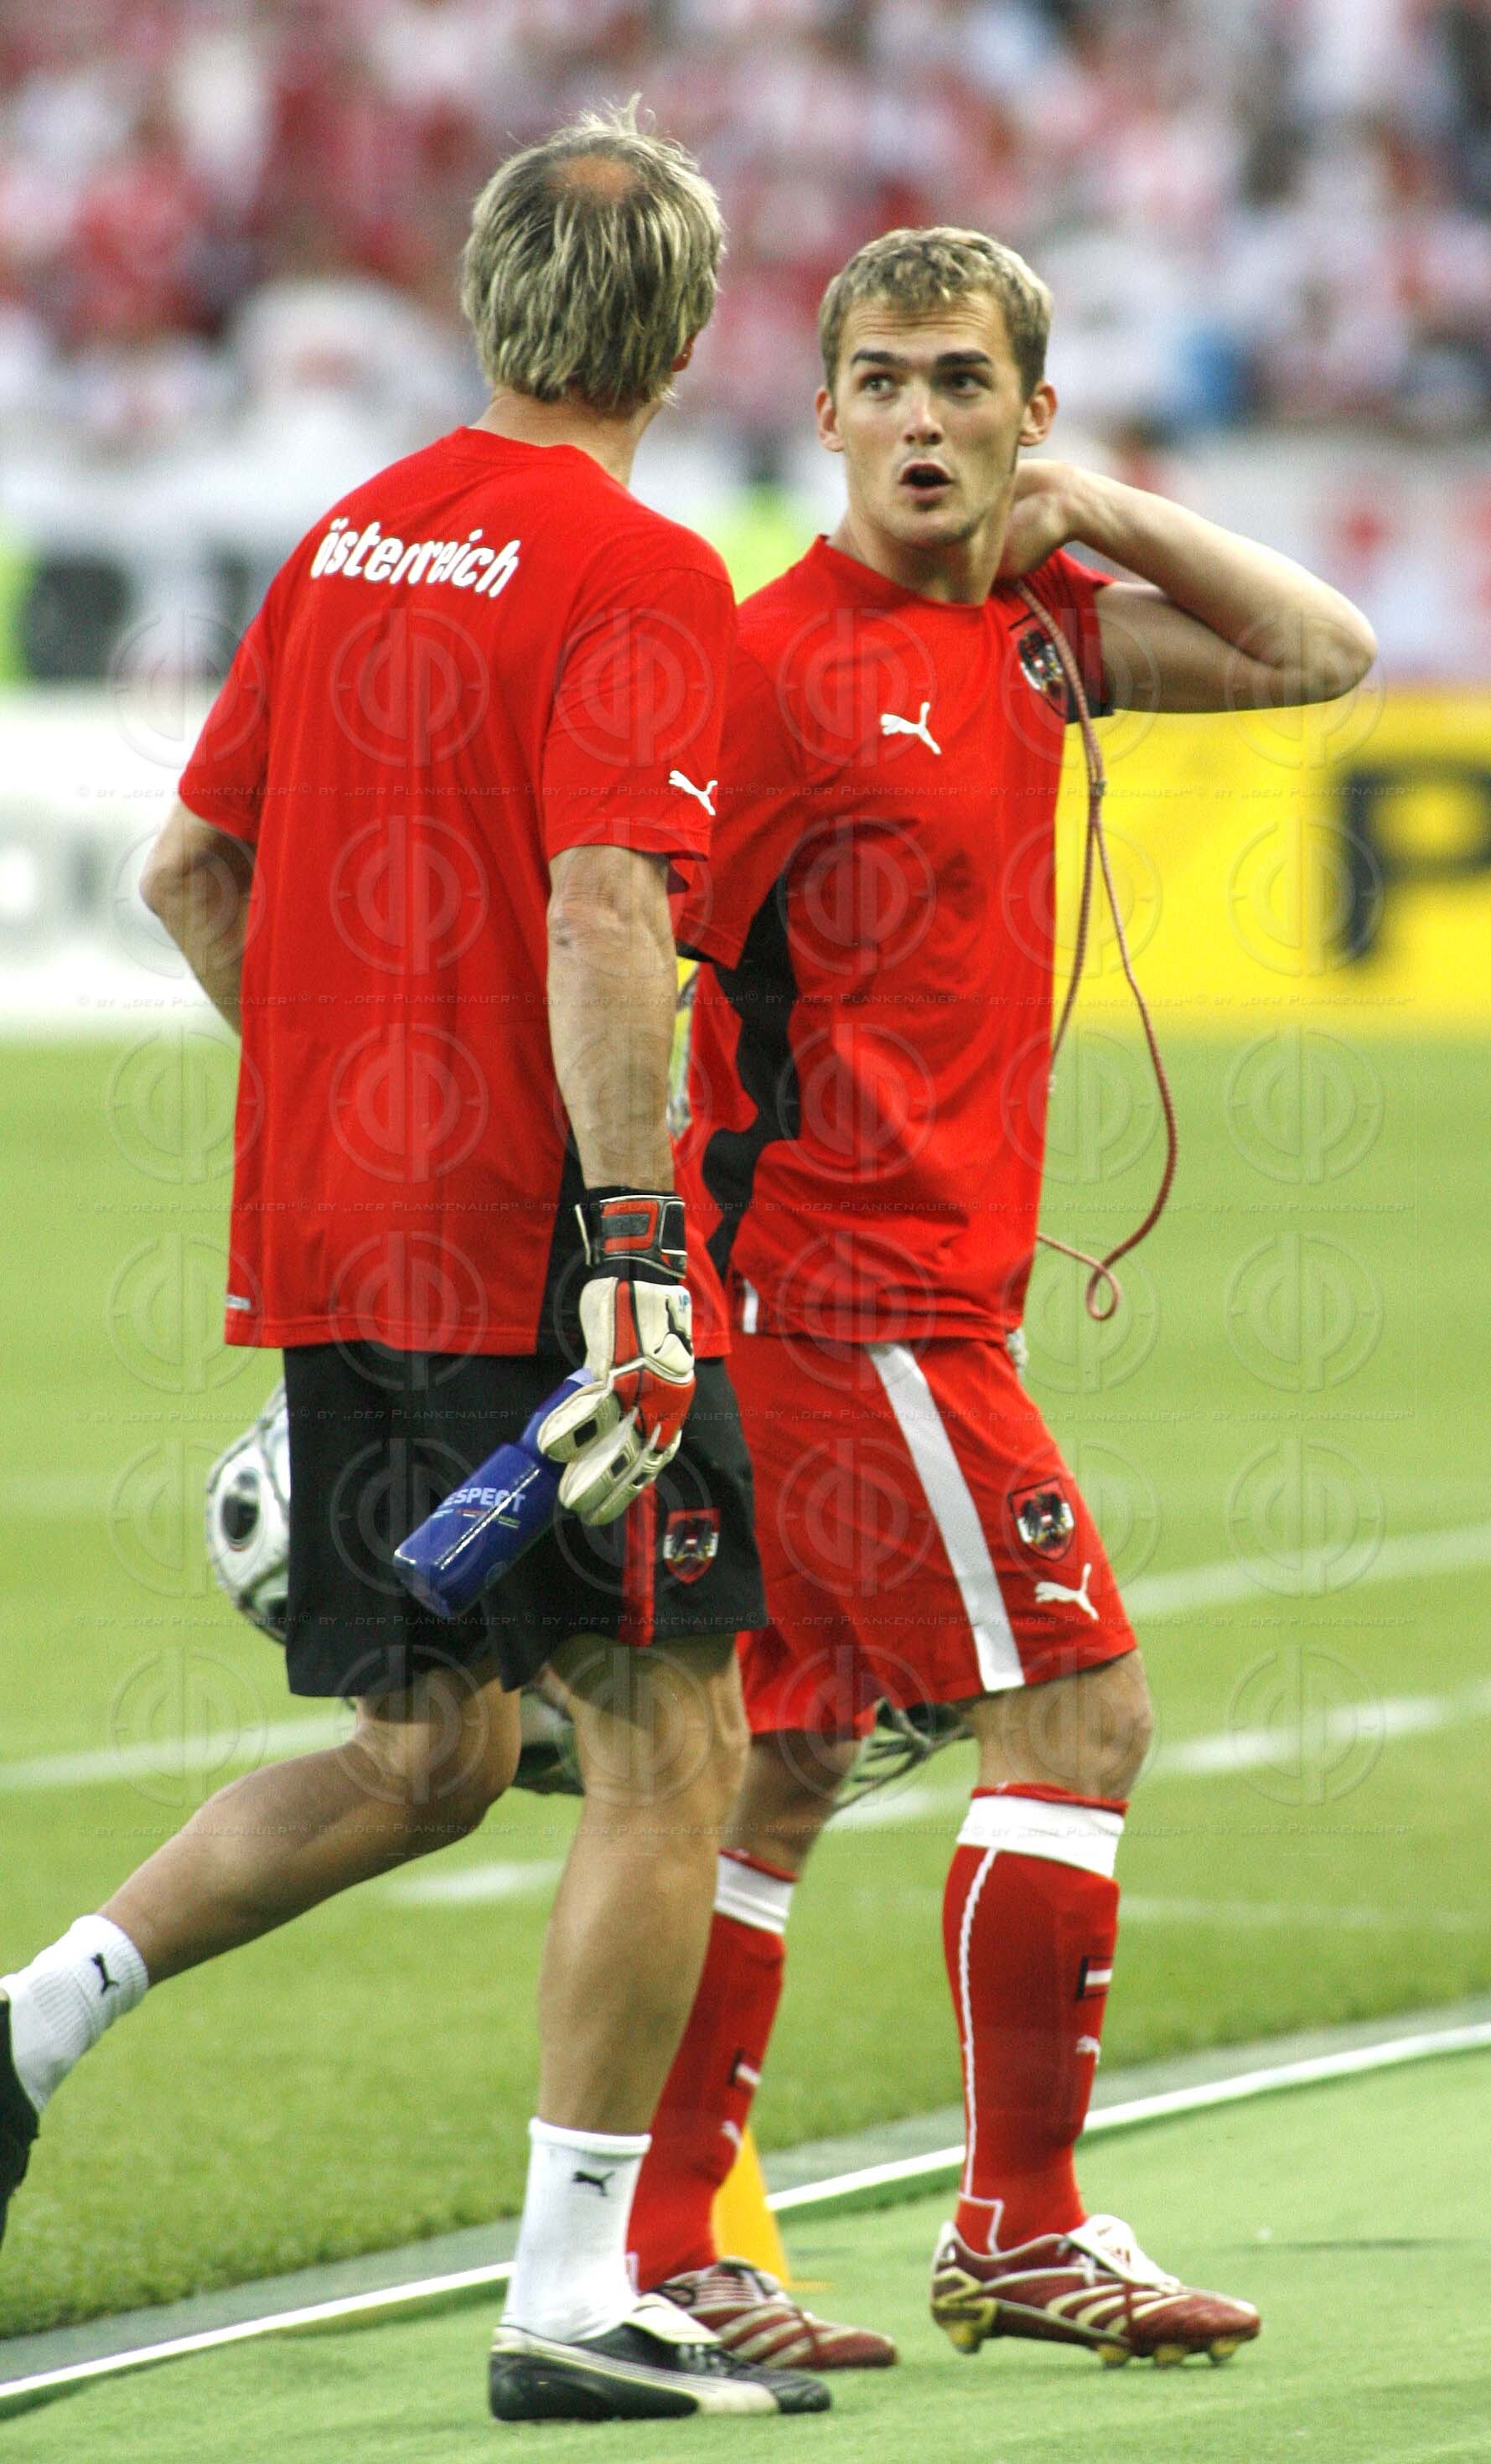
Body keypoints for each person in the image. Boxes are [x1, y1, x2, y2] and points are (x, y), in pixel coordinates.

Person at [0, 107, 830, 2426]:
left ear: (485, 302)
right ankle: (573, 2294)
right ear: (678, 328)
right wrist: (638, 1246)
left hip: (344, 1238)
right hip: (540, 1247)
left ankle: (26, 2027)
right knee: (678, 1733)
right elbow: (603, 908)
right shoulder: (639, 569)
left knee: (429, 1744)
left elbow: (187, 867)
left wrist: (351, 1094)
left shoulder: (348, 534)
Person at [625, 225, 1376, 2369]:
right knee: (1080, 1711)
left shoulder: (1045, 633)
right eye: (879, 381)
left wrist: (1107, 514)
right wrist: (622, 1268)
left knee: (787, 1759)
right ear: (825, 409)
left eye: (964, 385)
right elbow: (631, 943)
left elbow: (1317, 652)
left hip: (890, 1294)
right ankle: (1018, 2225)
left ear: (1028, 416)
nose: (920, 422)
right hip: (844, 1295)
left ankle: (675, 2244)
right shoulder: (775, 669)